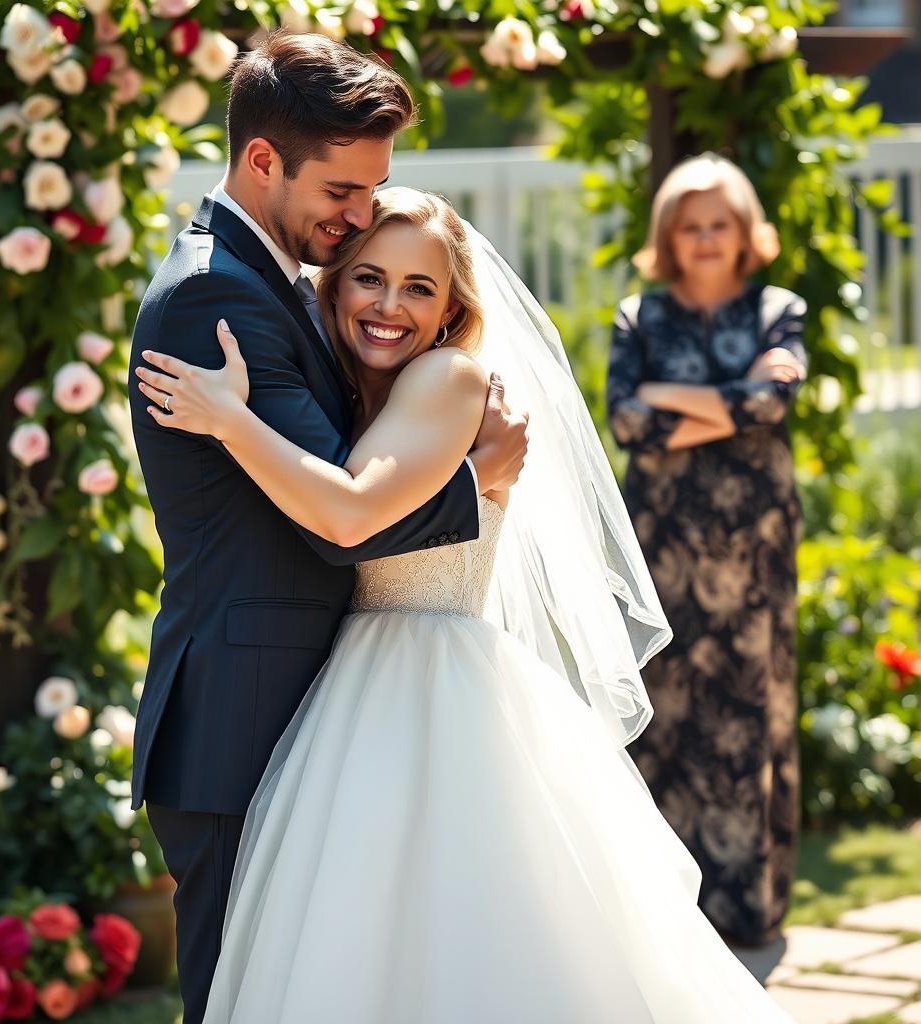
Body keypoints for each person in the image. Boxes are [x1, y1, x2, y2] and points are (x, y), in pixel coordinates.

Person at [136, 185, 796, 1023]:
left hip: (434, 684)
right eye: (370, 277)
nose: (390, 305)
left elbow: (348, 511)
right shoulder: (352, 391)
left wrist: (230, 419)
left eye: (420, 288)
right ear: (332, 284)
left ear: (453, 309)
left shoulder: (449, 379)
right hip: (355, 686)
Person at [127, 35, 527, 1023]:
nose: (359, 219)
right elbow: (348, 519)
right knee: (238, 1000)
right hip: (240, 711)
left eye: (374, 189)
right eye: (343, 191)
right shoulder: (219, 294)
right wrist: (477, 484)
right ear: (264, 160)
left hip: (309, 704)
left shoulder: (279, 283)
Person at [606, 153, 807, 946]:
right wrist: (738, 403)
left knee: (748, 709)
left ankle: (745, 909)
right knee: (663, 708)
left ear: (743, 229)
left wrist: (673, 400)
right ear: (669, 234)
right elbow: (625, 421)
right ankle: (658, 911)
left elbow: (777, 404)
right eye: (690, 225)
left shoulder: (778, 308)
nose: (705, 237)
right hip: (660, 541)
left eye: (719, 223)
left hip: (754, 545)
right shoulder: (638, 316)